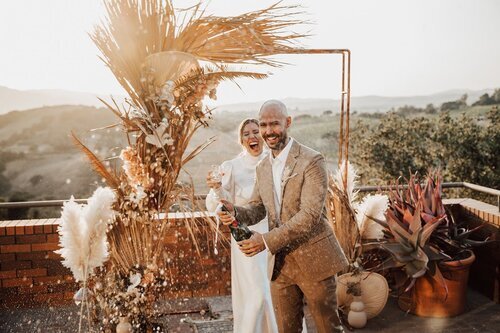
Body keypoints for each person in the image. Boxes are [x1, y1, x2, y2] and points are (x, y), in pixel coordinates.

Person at [218, 100, 349, 333]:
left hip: (315, 260)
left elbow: (309, 216)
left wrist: (266, 241)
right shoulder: (263, 167)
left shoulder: (312, 160)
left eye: (274, 124)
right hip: (281, 265)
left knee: (328, 327)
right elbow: (258, 207)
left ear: (288, 122)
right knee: (287, 329)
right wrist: (235, 210)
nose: (268, 131)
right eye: (263, 125)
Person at [206, 118, 279, 333]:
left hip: (273, 234)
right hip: (246, 236)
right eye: (246, 134)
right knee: (257, 293)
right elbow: (218, 203)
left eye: (256, 131)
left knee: (274, 291)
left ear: (263, 136)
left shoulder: (273, 162)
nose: (252, 136)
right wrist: (218, 188)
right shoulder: (232, 167)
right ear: (241, 140)